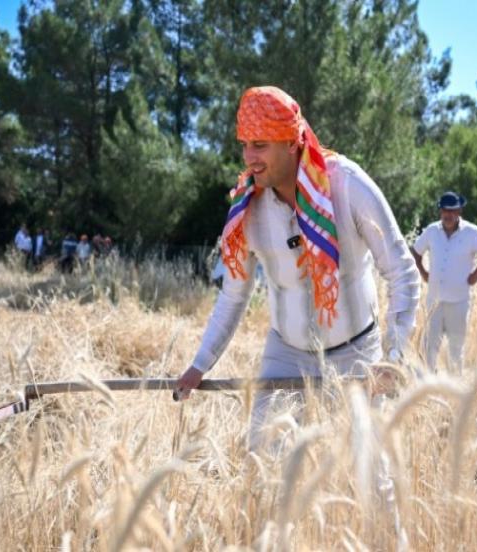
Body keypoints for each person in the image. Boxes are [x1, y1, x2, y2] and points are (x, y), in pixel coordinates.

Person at [175, 86, 421, 450]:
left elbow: (402, 270)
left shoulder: (347, 184)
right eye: (244, 145)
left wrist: (393, 358)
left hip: (357, 355)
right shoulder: (248, 211)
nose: (249, 157)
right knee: (262, 469)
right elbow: (233, 295)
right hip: (285, 355)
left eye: (260, 145)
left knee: (369, 474)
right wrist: (200, 364)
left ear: (291, 142)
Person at [411, 192, 477, 374]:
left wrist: (475, 276)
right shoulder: (432, 231)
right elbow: (415, 252)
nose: (448, 215)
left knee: (456, 349)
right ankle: (427, 386)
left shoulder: (471, 232)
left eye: (452, 211)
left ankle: (454, 390)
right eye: (444, 211)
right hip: (434, 302)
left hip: (459, 302)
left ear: (459, 211)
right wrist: (424, 273)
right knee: (428, 347)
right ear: (440, 211)